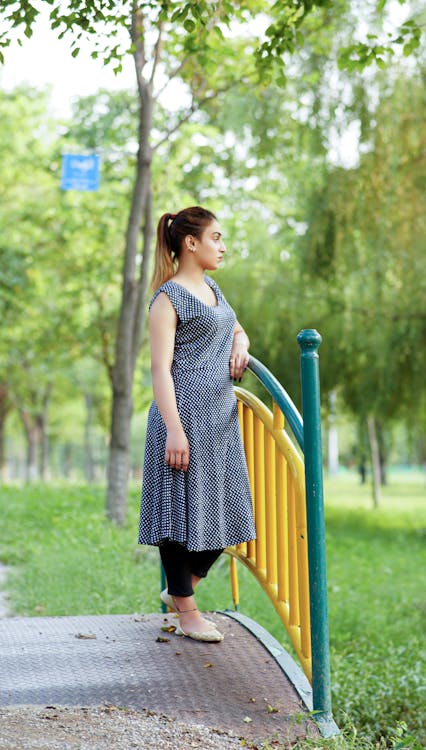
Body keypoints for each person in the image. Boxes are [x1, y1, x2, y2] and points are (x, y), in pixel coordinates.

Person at [139, 206, 256, 643]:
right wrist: (173, 428)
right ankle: (188, 613)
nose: (223, 247)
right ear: (191, 242)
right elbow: (159, 370)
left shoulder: (213, 289)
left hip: (220, 421)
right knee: (176, 518)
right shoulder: (167, 298)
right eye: (216, 238)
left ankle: (180, 591)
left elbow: (236, 327)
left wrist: (240, 341)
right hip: (183, 417)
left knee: (227, 518)